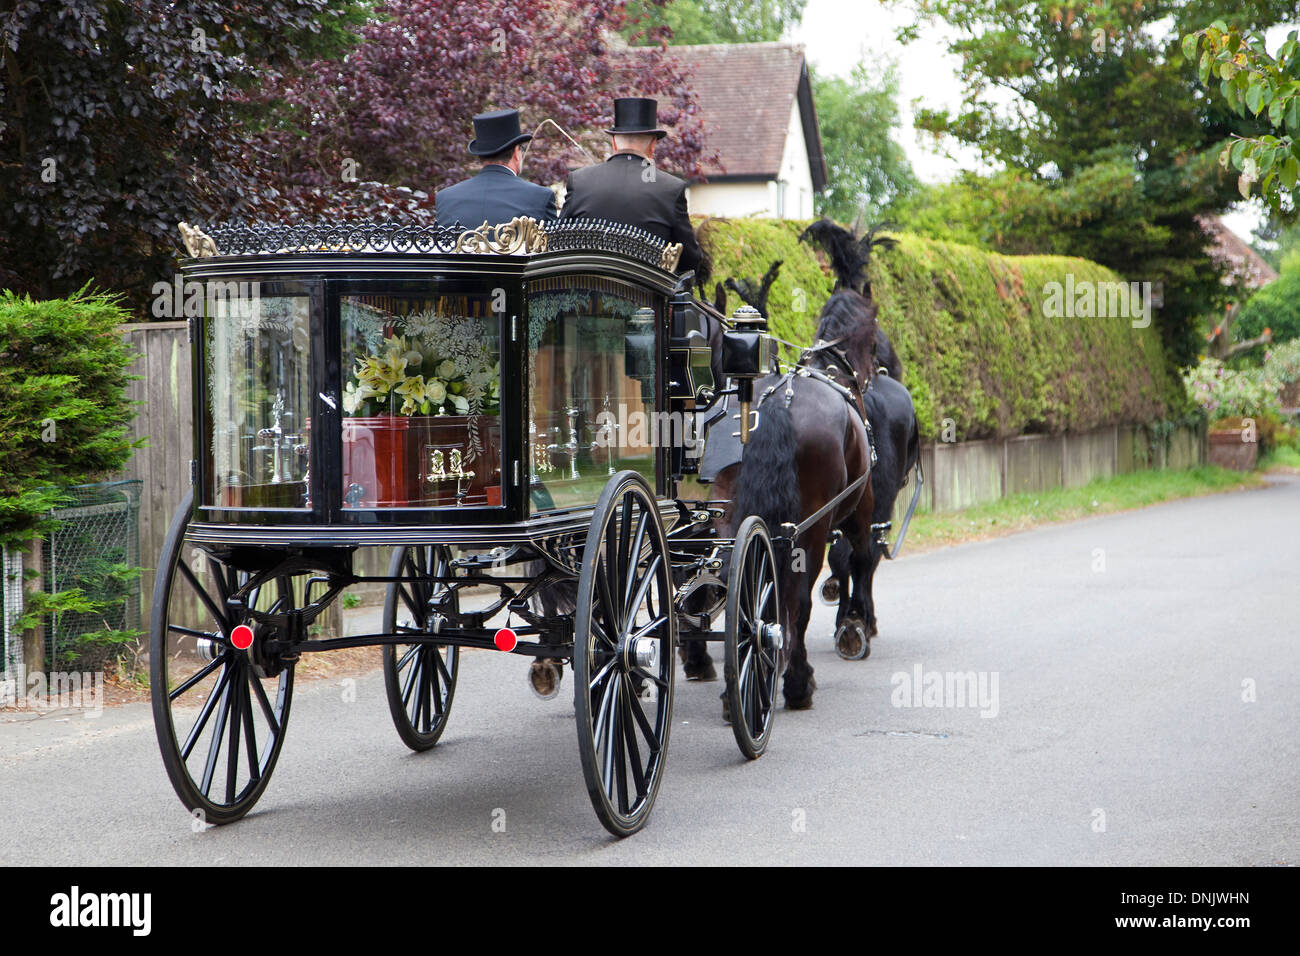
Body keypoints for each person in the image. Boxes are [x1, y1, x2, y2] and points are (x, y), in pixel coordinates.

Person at [560, 97, 703, 275]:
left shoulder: (579, 181)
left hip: (588, 296)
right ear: (652, 145)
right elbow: (690, 259)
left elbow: (559, 244)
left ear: (613, 143)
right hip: (649, 298)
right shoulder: (671, 189)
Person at [435, 108, 558, 230]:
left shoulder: (445, 198)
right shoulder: (539, 197)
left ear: (480, 154)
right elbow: (555, 246)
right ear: (516, 152)